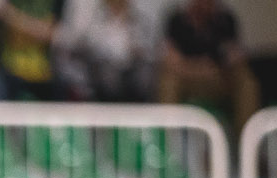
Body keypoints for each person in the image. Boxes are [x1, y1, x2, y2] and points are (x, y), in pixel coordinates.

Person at [160, 0, 257, 128]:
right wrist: (198, 69)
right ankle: (168, 134)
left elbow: (236, 56)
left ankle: (247, 136)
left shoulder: (225, 20)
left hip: (218, 79)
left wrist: (217, 67)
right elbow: (171, 60)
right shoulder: (176, 20)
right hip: (187, 79)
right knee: (168, 81)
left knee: (246, 80)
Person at [56, 0, 157, 102]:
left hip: (131, 69)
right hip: (102, 68)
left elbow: (148, 50)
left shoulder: (139, 21)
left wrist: (136, 51)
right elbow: (88, 44)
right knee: (107, 75)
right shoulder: (95, 19)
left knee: (144, 75)